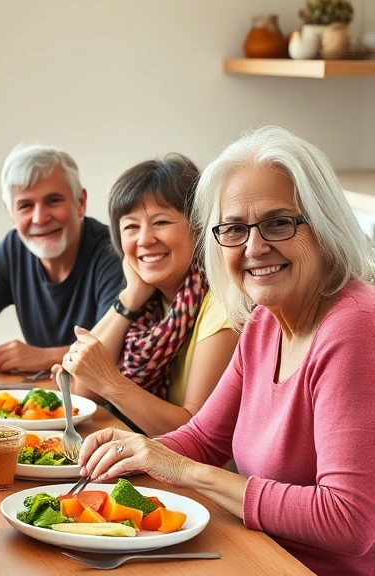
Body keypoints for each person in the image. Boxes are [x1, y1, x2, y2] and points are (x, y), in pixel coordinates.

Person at [78, 126, 375, 575]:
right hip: (252, 553)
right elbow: (203, 439)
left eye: (279, 222)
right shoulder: (263, 320)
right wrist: (134, 451)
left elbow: (349, 522)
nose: (254, 247)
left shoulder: (355, 328)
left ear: (324, 222)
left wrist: (185, 471)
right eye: (235, 229)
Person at [58, 155, 238, 436]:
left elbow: (196, 433)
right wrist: (130, 298)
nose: (144, 239)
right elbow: (81, 390)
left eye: (161, 222)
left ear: (198, 227)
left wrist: (111, 383)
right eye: (131, 226)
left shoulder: (222, 306)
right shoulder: (150, 302)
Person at [0, 144, 125, 373]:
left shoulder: (112, 251)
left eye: (53, 201)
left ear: (80, 202)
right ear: (11, 213)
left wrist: (45, 357)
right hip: (46, 395)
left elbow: (116, 349)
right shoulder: (14, 248)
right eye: (25, 205)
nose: (40, 218)